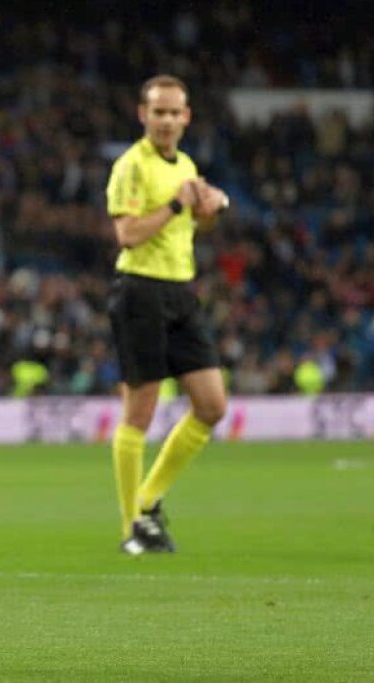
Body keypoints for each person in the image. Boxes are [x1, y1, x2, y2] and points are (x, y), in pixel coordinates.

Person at [105, 74, 230, 555]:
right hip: (139, 290)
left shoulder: (189, 164)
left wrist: (210, 207)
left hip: (181, 290)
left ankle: (148, 498)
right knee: (140, 410)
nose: (167, 120)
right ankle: (130, 528)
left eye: (175, 112)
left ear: (187, 117)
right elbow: (129, 234)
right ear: (143, 115)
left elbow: (199, 224)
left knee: (212, 405)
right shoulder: (131, 167)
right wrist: (180, 201)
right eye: (158, 111)